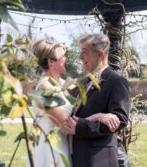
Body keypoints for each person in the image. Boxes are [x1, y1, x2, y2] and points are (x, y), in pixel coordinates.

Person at [29, 39, 117, 167]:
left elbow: (85, 93)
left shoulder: (61, 83)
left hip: (64, 147)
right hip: (50, 150)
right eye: (62, 56)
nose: (66, 59)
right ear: (51, 62)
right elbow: (66, 125)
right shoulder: (44, 89)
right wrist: (100, 116)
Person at [64, 34, 131, 167]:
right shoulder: (82, 82)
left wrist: (81, 127)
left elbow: (120, 120)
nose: (80, 57)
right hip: (76, 156)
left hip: (98, 159)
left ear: (100, 54)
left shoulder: (117, 82)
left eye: (84, 52)